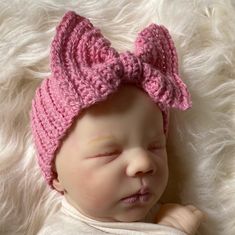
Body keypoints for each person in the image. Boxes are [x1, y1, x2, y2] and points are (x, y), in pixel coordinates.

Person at [30, 11, 205, 235]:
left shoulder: (160, 213)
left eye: (155, 147)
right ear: (56, 176)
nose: (143, 163)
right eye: (108, 152)